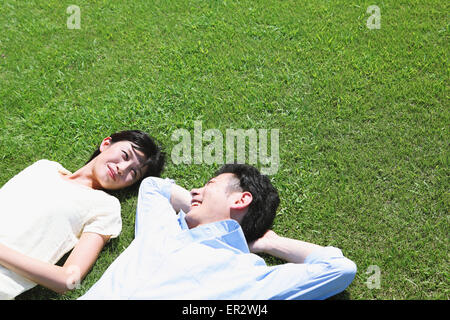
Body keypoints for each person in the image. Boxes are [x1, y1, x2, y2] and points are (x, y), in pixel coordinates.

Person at [80, 163, 357, 300]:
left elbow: (338, 268)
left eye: (209, 184)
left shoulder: (247, 275)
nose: (194, 191)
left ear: (240, 200)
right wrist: (205, 211)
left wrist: (266, 243)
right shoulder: (163, 228)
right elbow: (154, 186)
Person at [0, 130, 165, 299]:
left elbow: (68, 279)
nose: (122, 168)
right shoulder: (45, 167)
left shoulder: (106, 208)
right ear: (106, 144)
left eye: (133, 173)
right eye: (125, 155)